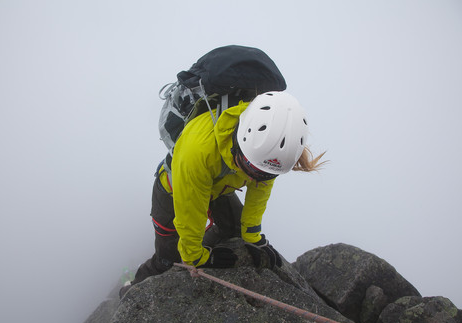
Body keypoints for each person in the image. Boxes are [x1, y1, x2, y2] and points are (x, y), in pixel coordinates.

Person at [120, 90, 325, 298]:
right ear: (239, 142)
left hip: (218, 185)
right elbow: (191, 209)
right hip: (172, 190)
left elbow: (260, 189)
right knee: (168, 257)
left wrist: (253, 236)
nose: (255, 179)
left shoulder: (267, 147)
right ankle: (130, 291)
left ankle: (200, 245)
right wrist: (197, 257)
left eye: (266, 175)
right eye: (252, 170)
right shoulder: (197, 150)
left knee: (235, 229)